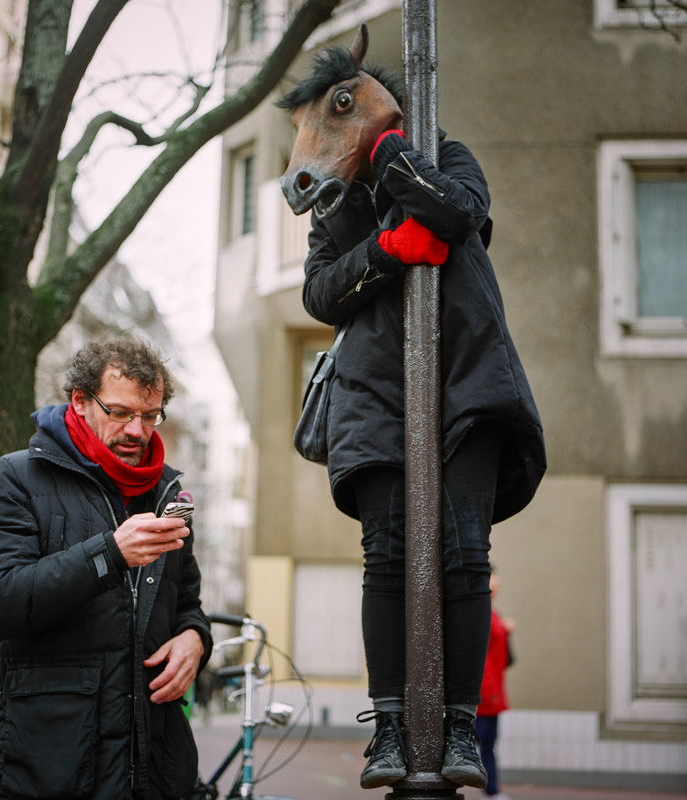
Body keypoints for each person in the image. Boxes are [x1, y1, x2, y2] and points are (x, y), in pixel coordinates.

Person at [277, 44, 546, 791]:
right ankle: (391, 728)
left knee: (464, 553)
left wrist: (392, 151)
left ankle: (460, 727)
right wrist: (390, 249)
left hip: (467, 383)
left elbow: (462, 211)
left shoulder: (442, 154)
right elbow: (321, 293)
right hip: (375, 398)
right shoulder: (334, 206)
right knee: (386, 557)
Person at [0, 337, 213, 800]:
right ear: (79, 401)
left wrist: (196, 639)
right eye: (119, 412)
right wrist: (110, 554)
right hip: (51, 766)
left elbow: (188, 605)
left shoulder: (168, 496)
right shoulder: (12, 478)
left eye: (149, 415)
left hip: (157, 768)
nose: (137, 431)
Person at [476, 567, 516, 800]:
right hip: (485, 691)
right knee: (479, 743)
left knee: (488, 743)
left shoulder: (492, 612)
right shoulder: (480, 611)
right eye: (492, 575)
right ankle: (491, 790)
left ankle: (492, 790)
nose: (497, 580)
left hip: (494, 690)